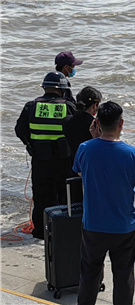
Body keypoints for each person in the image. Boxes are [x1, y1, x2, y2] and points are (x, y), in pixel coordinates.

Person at [73, 101, 135, 305]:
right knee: (124, 276)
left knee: (89, 273)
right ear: (121, 123)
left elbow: (83, 172)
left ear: (97, 123)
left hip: (93, 225)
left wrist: (94, 139)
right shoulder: (133, 154)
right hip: (123, 226)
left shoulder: (85, 148)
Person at [15, 71, 76, 239]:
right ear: (62, 90)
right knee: (64, 197)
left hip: (41, 160)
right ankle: (62, 231)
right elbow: (76, 131)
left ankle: (41, 231)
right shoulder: (69, 106)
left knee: (41, 196)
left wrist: (30, 145)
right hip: (64, 161)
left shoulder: (31, 106)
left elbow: (20, 130)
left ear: (44, 88)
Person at [63, 86, 102, 165]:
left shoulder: (66, 121)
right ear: (95, 105)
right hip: (90, 166)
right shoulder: (95, 125)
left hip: (71, 165)